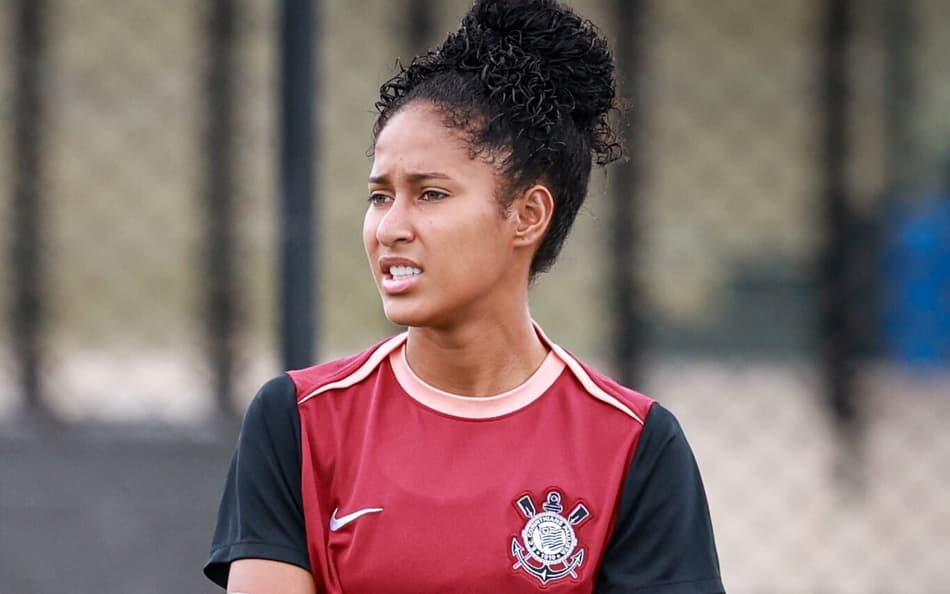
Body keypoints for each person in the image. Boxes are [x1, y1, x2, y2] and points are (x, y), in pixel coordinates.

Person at [204, 1, 724, 592]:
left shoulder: (634, 444)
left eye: (430, 194)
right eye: (380, 196)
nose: (390, 227)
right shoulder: (297, 420)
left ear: (526, 215)